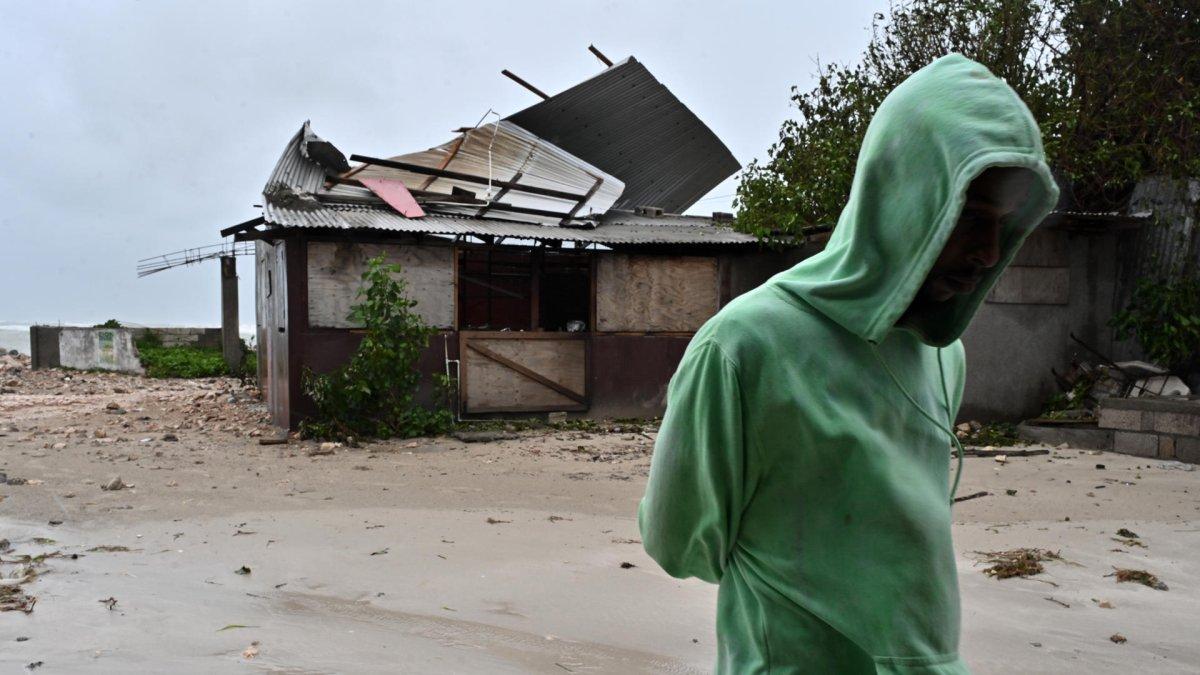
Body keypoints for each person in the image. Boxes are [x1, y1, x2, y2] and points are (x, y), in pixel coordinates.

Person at [637, 54, 1059, 674]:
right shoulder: (744, 347)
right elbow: (679, 543)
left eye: (1001, 226)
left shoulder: (942, 355)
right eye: (968, 219)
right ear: (903, 195)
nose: (988, 253)